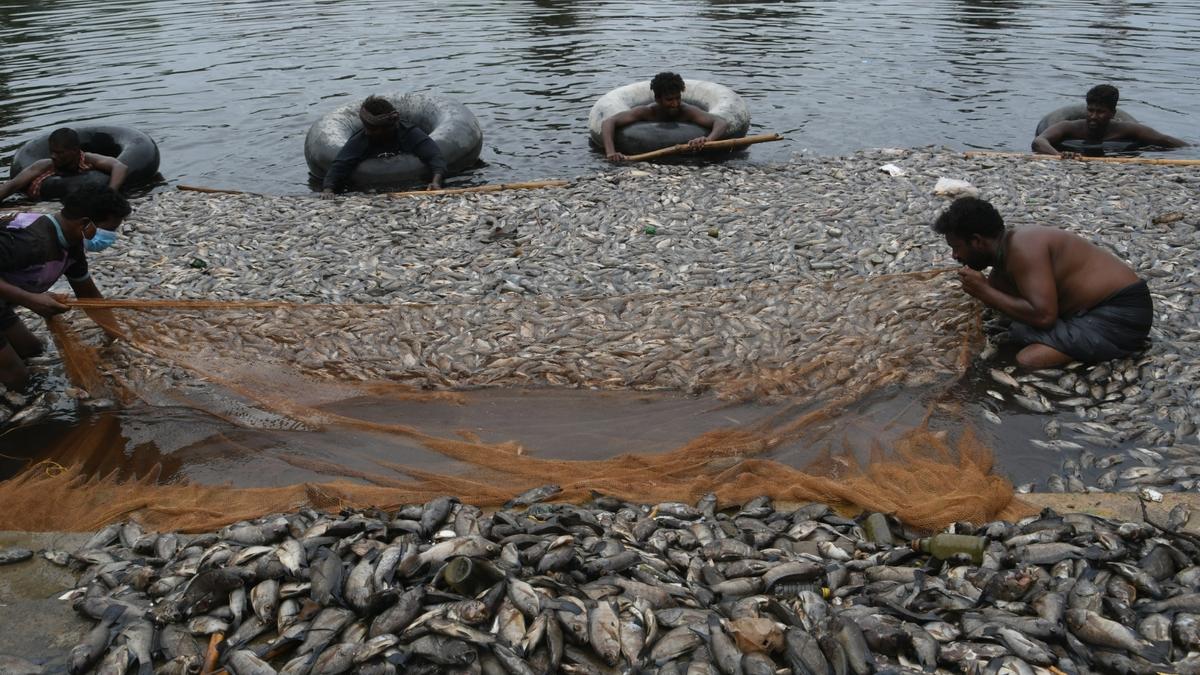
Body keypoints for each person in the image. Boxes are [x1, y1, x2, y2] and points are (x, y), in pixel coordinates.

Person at [933, 196, 1152, 369]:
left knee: (1029, 358)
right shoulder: (1004, 258)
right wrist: (989, 290)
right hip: (1091, 310)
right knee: (1008, 325)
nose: (954, 256)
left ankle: (1114, 349)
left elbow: (1044, 316)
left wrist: (984, 292)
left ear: (977, 241)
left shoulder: (1023, 247)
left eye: (956, 247)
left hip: (1122, 315)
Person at [0, 186, 131, 389]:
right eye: (110, 229)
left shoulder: (71, 244)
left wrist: (118, 336)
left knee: (33, 351)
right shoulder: (28, 242)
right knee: (16, 375)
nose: (112, 237)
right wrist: (30, 299)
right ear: (85, 223)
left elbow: (89, 295)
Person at [320, 95, 447, 197]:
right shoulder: (360, 140)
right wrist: (328, 189)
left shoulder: (408, 133)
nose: (368, 131)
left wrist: (436, 182)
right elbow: (340, 165)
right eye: (368, 128)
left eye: (371, 129)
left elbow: (434, 156)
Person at [601, 72, 730, 162]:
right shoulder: (646, 112)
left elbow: (720, 122)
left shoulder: (687, 112)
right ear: (658, 99)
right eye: (669, 99)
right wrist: (611, 153)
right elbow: (608, 122)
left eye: (678, 98)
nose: (675, 104)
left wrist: (708, 140)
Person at [1032, 84, 1188, 156]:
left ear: (1112, 113)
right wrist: (1059, 155)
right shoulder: (1070, 127)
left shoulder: (1128, 130)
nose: (1093, 116)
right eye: (1090, 110)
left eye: (1100, 112)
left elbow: (1166, 140)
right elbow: (1039, 141)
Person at [0, 128, 129, 202]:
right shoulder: (44, 165)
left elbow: (120, 167)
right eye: (52, 151)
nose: (54, 156)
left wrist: (111, 192)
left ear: (74, 151)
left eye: (59, 153)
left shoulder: (89, 159)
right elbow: (13, 184)